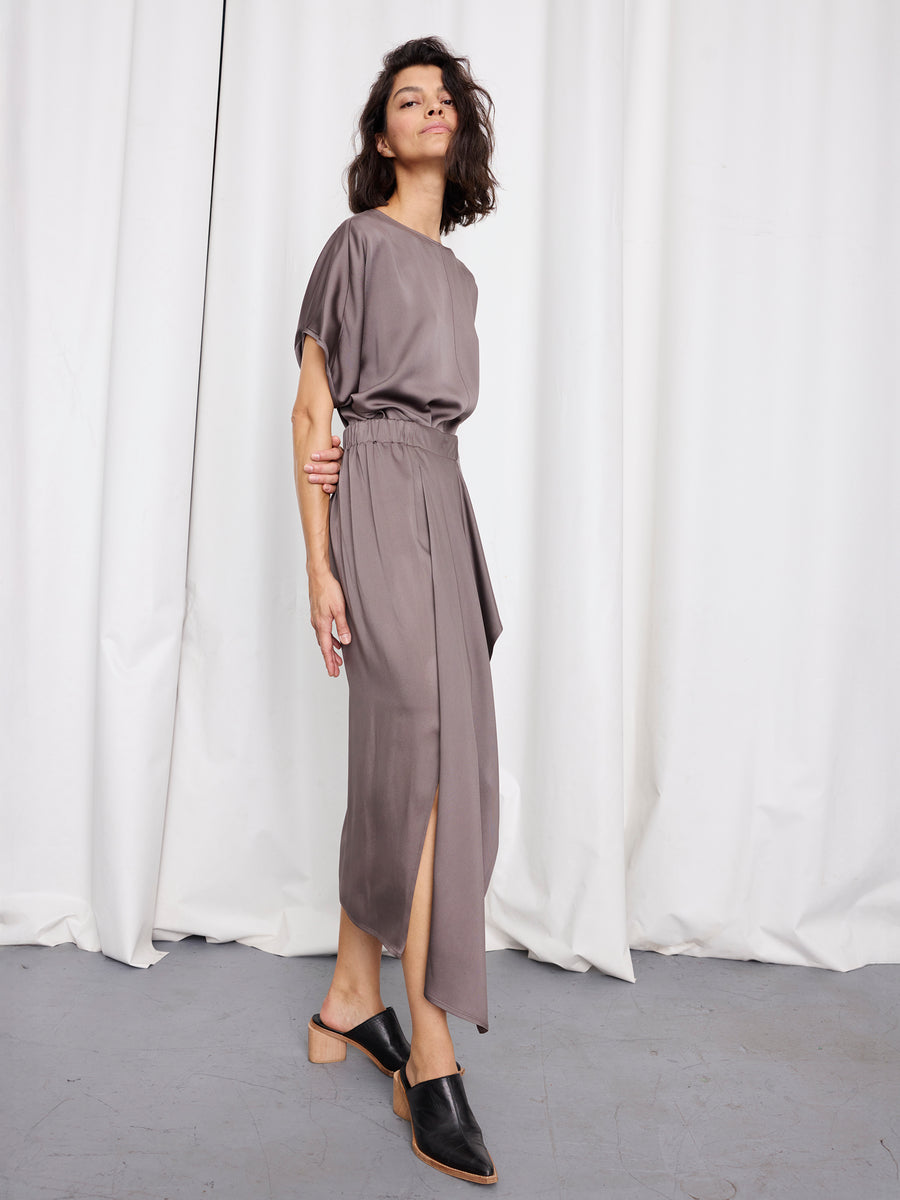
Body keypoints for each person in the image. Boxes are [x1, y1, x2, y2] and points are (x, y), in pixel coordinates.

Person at [291, 36, 502, 1186]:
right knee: (418, 755)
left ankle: (347, 998)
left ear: (459, 134)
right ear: (383, 136)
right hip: (372, 487)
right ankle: (427, 1047)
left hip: (440, 499)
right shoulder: (355, 246)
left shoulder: (463, 279)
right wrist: (318, 571)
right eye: (407, 101)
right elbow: (309, 413)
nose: (430, 112)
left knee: (438, 762)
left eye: (445, 101)